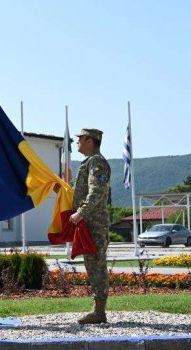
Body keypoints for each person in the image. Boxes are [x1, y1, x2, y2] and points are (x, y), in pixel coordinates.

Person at [69, 128, 111, 324]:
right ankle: (98, 309)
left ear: (90, 141)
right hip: (90, 223)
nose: (77, 142)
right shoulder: (89, 162)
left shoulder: (97, 162)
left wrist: (80, 212)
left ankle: (99, 311)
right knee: (91, 263)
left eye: (80, 139)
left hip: (95, 222)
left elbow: (96, 191)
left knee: (96, 263)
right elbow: (83, 190)